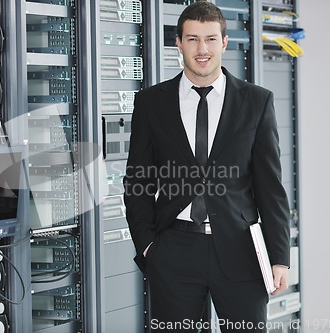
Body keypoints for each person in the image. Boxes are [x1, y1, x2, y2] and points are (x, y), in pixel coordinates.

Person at [123, 1, 290, 331]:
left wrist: (280, 257)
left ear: (224, 43)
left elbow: (271, 186)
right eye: (193, 39)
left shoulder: (256, 102)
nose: (202, 49)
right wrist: (149, 247)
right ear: (179, 43)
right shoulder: (151, 102)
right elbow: (137, 181)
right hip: (174, 251)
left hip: (241, 250)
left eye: (211, 39)